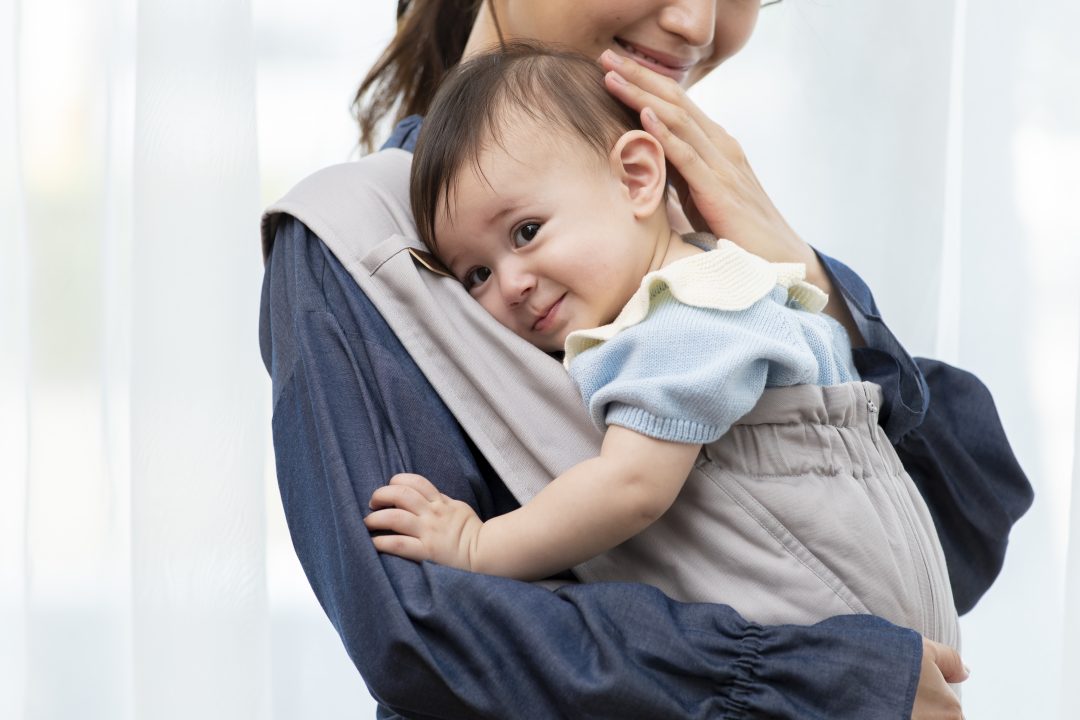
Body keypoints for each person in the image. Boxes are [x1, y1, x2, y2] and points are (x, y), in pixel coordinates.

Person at [259, 1, 1032, 717]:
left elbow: (965, 528)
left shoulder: (676, 229)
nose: (697, 22)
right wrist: (827, 683)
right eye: (479, 273)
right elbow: (422, 632)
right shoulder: (357, 246)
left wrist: (809, 278)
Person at [364, 43, 959, 649]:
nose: (512, 284)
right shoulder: (719, 274)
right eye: (475, 276)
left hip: (835, 609)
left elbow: (630, 487)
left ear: (637, 178)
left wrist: (476, 545)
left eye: (526, 231)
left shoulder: (683, 320)